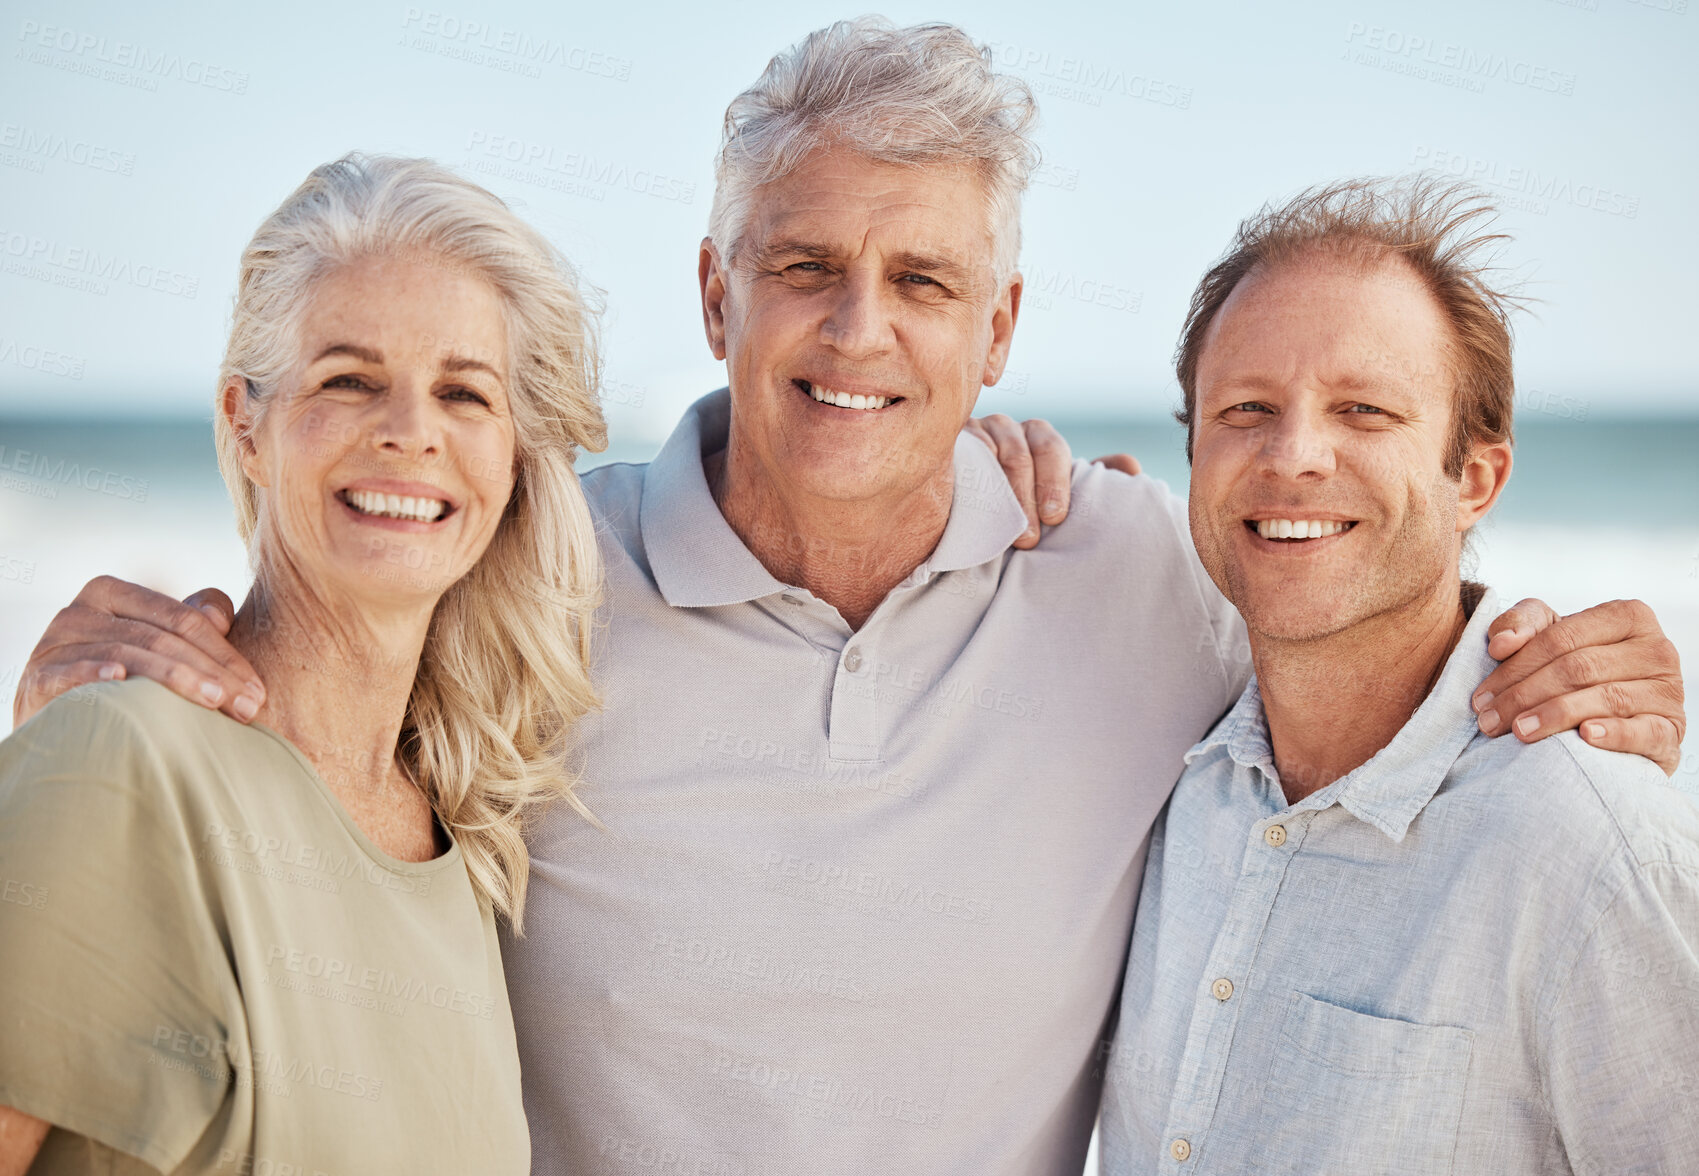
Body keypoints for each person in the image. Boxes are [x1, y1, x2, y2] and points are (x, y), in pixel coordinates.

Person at [13, 21, 1685, 1174]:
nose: (856, 332)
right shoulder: (526, 575)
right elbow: (331, 621)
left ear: (1000, 329)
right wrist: (130, 651)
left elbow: (1338, 592)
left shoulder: (1126, 578)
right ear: (713, 288)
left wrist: (1555, 658)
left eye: (921, 281)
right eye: (803, 266)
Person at [0, 154, 610, 1173]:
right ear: (247, 423)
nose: (410, 433)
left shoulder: (468, 851)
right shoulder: (123, 763)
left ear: (512, 457)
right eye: (349, 380)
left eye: (463, 394)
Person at [1099, 178, 1698, 1174]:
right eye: (1245, 408)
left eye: (1364, 411)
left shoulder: (1588, 848)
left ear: (1474, 480)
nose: (1291, 457)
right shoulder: (1158, 759)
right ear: (1193, 450)